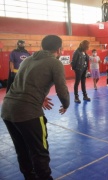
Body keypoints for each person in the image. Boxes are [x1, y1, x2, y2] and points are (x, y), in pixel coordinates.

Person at [1, 35, 70, 180]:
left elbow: (18, 82)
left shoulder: (27, 60)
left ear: (42, 47)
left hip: (7, 109)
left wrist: (40, 96)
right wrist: (66, 104)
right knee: (40, 152)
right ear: (59, 49)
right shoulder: (55, 62)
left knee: (22, 150)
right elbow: (61, 89)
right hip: (28, 113)